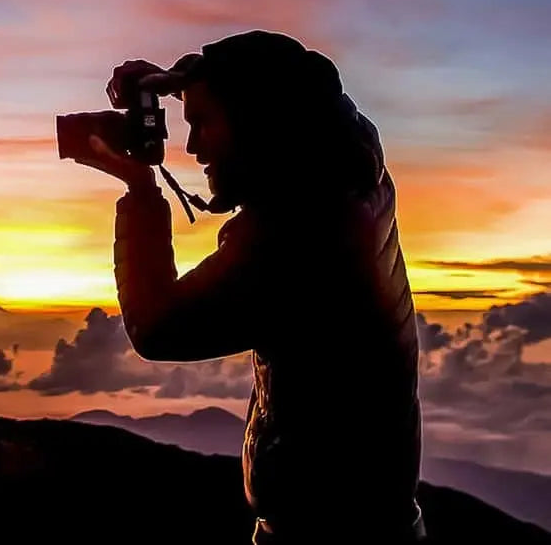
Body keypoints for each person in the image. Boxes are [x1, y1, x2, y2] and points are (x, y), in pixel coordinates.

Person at [74, 29, 427, 544]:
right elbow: (289, 86)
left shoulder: (296, 236)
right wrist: (182, 81)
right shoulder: (347, 173)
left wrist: (141, 191)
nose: (191, 146)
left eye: (203, 123)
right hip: (375, 523)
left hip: (328, 543)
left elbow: (158, 328)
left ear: (258, 125)